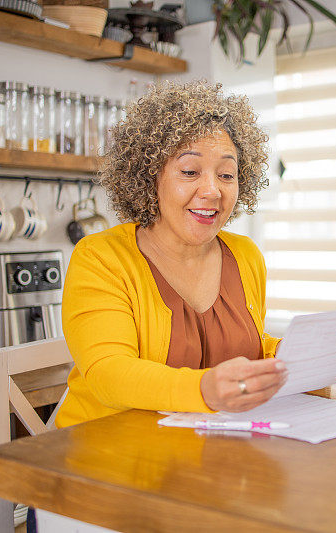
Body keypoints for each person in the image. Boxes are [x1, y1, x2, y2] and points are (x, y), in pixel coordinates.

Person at [55, 81, 286, 428]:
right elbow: (108, 372)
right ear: (150, 177)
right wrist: (204, 389)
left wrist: (286, 355)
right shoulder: (100, 258)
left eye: (226, 174)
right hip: (104, 459)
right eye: (190, 172)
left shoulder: (245, 256)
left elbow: (240, 344)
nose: (212, 191)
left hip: (203, 459)